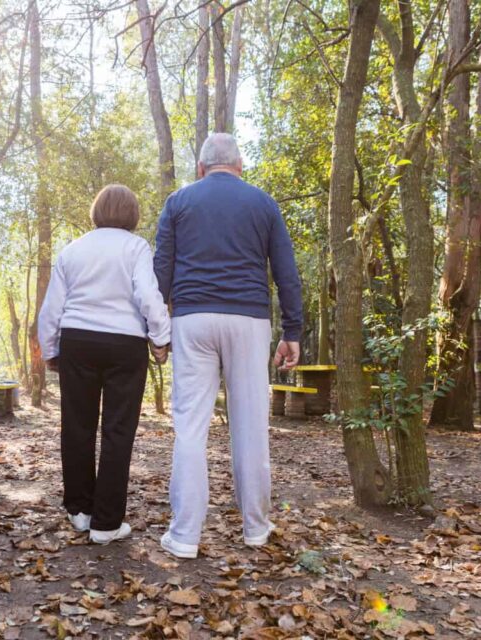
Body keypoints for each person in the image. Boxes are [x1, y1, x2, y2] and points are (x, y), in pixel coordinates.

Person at [154, 133, 303, 559]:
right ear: (239, 166)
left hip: (192, 319)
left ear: (200, 169)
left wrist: (158, 331)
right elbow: (287, 272)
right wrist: (293, 331)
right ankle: (256, 528)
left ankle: (184, 535)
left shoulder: (178, 202)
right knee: (251, 426)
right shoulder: (263, 203)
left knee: (190, 428)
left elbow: (161, 269)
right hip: (249, 319)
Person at [38, 184, 170, 545]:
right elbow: (148, 293)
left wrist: (51, 349)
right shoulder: (136, 247)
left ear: (96, 211)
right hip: (125, 345)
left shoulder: (73, 249)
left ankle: (79, 510)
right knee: (118, 431)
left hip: (78, 341)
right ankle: (107, 523)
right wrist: (160, 338)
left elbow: (53, 307)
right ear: (132, 215)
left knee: (76, 426)